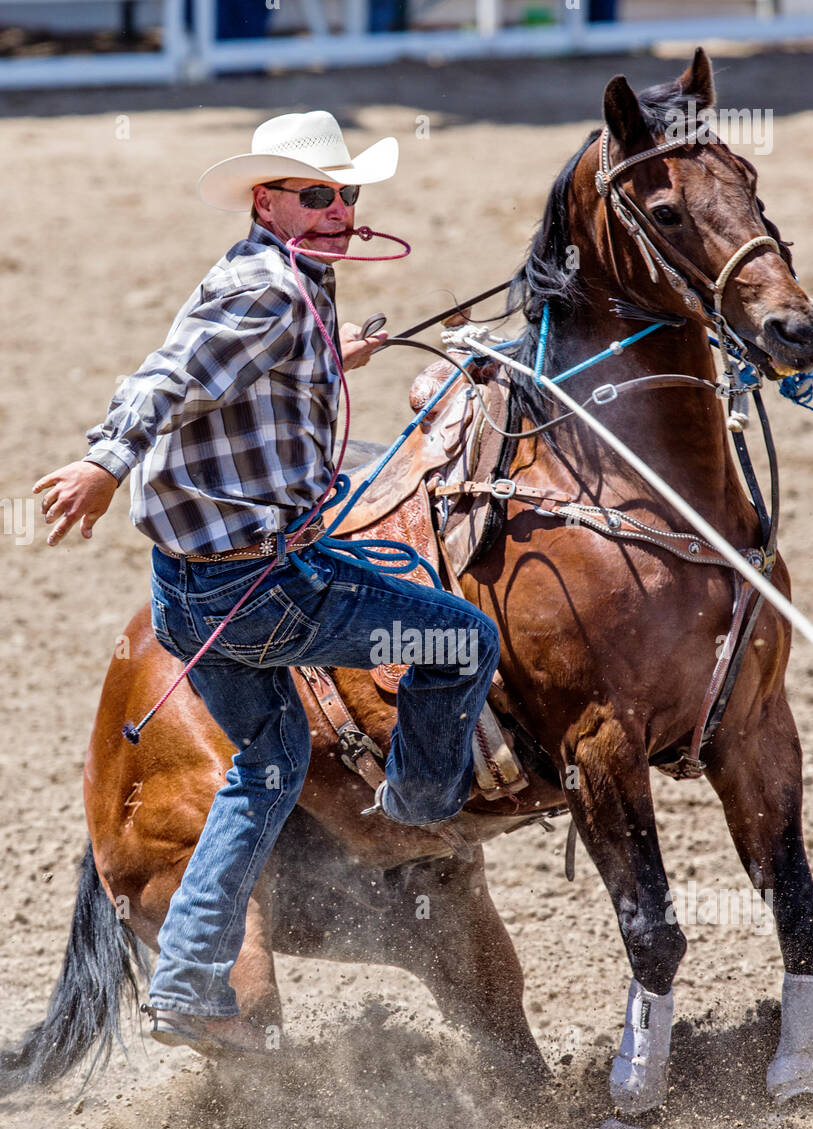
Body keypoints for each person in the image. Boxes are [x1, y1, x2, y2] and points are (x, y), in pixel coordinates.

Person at [33, 110, 500, 1058]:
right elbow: (166, 380)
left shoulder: (291, 288)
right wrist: (105, 462)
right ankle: (417, 813)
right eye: (316, 194)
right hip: (260, 591)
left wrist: (336, 357)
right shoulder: (269, 293)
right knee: (462, 639)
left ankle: (191, 977)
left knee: (270, 763)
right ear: (268, 199)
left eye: (347, 195)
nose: (338, 210)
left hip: (192, 590)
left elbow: (244, 377)